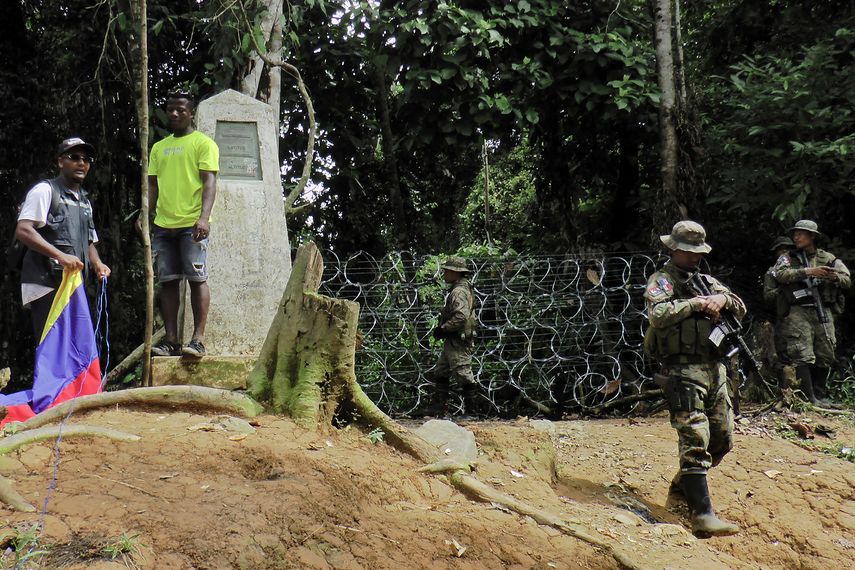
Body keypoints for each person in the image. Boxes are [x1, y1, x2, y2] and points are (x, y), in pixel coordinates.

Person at [644, 221, 743, 538]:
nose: (693, 256)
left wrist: (722, 301)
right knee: (695, 436)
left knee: (722, 438)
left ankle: (681, 488)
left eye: (697, 251)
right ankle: (702, 514)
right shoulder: (662, 281)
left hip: (715, 368)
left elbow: (739, 306)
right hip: (683, 370)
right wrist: (695, 304)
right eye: (688, 251)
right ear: (673, 249)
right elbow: (658, 315)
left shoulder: (707, 281)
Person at [141, 92, 219, 358]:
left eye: (180, 110)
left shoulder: (203, 144)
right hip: (163, 225)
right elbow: (152, 185)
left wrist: (204, 217)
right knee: (168, 281)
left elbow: (209, 182)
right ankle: (171, 340)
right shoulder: (159, 148)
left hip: (192, 225)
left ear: (191, 113)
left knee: (197, 279)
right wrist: (145, 215)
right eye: (170, 109)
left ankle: (198, 340)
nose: (174, 114)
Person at [15, 137, 110, 337]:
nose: (81, 163)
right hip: (45, 281)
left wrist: (97, 264)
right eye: (74, 157)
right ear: (60, 162)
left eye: (86, 159)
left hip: (72, 284)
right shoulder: (45, 190)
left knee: (71, 345)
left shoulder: (84, 201)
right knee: (52, 345)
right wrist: (60, 255)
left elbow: (89, 241)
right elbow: (23, 230)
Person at [770, 220, 850, 405]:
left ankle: (820, 395)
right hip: (798, 310)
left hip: (822, 309)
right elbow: (780, 274)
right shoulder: (788, 258)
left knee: (826, 352)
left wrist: (833, 276)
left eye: (801, 233)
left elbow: (847, 280)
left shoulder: (828, 258)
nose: (796, 237)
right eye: (795, 233)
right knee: (801, 352)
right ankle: (808, 397)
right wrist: (808, 272)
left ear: (812, 236)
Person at [425, 256, 479, 420]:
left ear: (456, 273)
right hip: (454, 339)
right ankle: (440, 410)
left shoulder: (458, 292)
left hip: (457, 340)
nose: (445, 274)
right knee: (441, 370)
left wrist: (443, 328)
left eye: (447, 271)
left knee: (463, 373)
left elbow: (461, 316)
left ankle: (472, 412)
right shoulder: (463, 288)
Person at [762, 236, 795, 376]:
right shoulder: (772, 272)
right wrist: (782, 290)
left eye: (787, 249)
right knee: (785, 356)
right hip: (785, 317)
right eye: (781, 250)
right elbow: (768, 296)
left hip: (806, 314)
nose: (784, 253)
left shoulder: (802, 268)